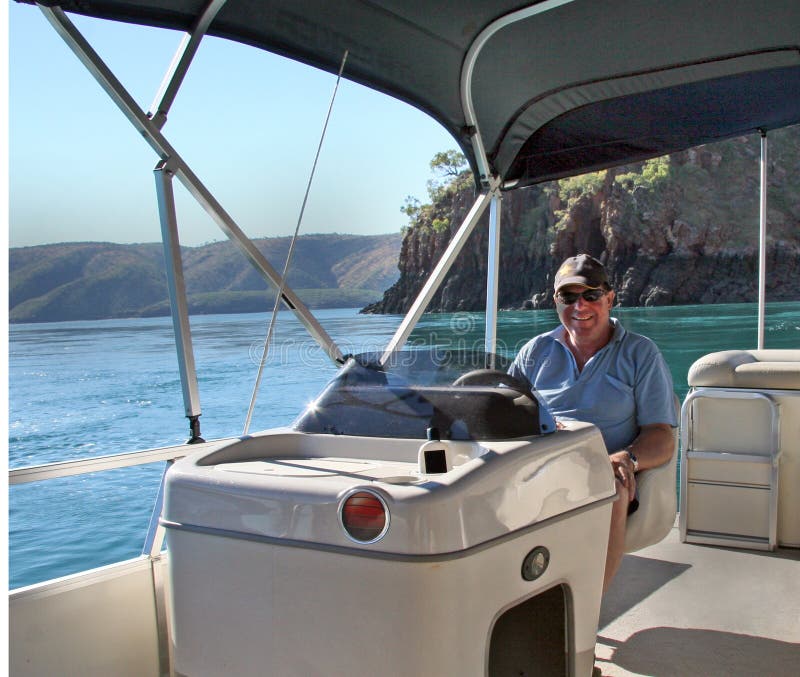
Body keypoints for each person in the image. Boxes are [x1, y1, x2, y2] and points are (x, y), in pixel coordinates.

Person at [509, 254, 677, 592]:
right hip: (542, 467)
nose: (579, 305)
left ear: (610, 298)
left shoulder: (641, 354)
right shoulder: (534, 352)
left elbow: (661, 436)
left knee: (611, 483)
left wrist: (627, 458)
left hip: (605, 470)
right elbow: (501, 411)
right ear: (556, 301)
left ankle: (583, 619)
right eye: (568, 297)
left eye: (591, 295)